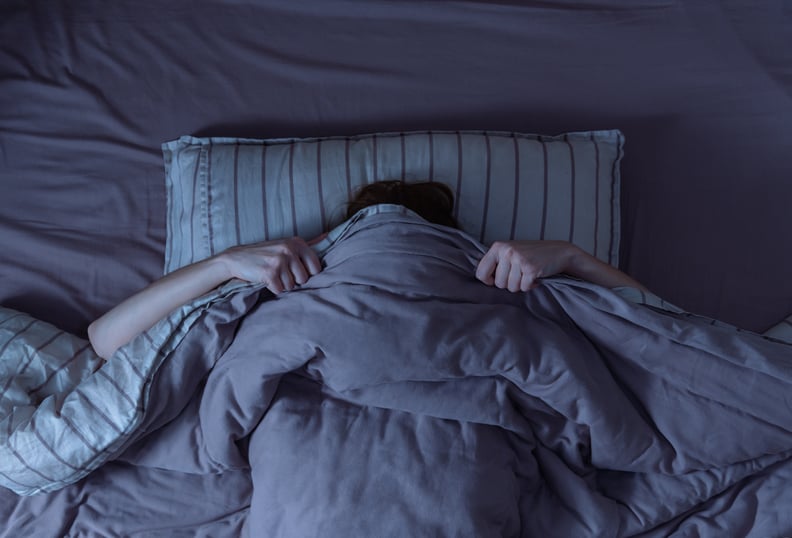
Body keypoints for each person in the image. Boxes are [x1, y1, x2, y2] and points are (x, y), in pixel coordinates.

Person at [88, 180, 647, 360]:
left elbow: (671, 336)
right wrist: (225, 264)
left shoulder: (504, 282)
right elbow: (106, 340)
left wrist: (569, 260)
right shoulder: (281, 285)